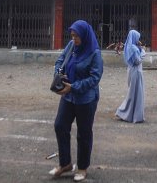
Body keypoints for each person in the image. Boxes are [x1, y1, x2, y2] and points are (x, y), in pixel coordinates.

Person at [50, 20, 103, 182]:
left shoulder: (94, 53)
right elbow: (60, 60)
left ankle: (82, 167)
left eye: (76, 36)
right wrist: (59, 75)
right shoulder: (72, 45)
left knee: (84, 133)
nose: (74, 39)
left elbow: (95, 78)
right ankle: (65, 163)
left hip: (85, 99)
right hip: (68, 96)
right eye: (72, 36)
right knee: (60, 125)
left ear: (85, 36)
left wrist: (73, 87)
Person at [115, 29, 146, 123]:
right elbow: (137, 61)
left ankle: (129, 113)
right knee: (135, 93)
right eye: (138, 37)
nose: (138, 39)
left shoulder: (129, 47)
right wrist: (143, 51)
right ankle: (125, 112)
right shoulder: (133, 48)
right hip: (136, 71)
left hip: (131, 71)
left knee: (132, 92)